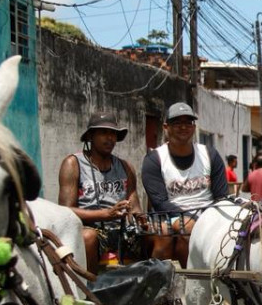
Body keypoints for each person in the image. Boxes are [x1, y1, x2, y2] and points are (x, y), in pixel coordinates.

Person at [141, 102, 229, 262]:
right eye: (177, 123)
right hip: (171, 216)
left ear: (194, 127)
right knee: (186, 228)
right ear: (166, 127)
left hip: (209, 213)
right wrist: (190, 217)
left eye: (188, 122)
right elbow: (160, 202)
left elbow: (221, 196)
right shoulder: (155, 159)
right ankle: (191, 275)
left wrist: (207, 218)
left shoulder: (210, 154)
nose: (183, 127)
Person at [57, 112, 145, 272]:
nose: (110, 138)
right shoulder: (73, 164)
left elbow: (135, 206)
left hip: (120, 232)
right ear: (90, 136)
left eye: (113, 133)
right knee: (88, 237)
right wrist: (106, 214)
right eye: (104, 133)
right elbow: (65, 211)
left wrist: (143, 220)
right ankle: (90, 288)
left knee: (158, 235)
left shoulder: (126, 167)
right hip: (90, 230)